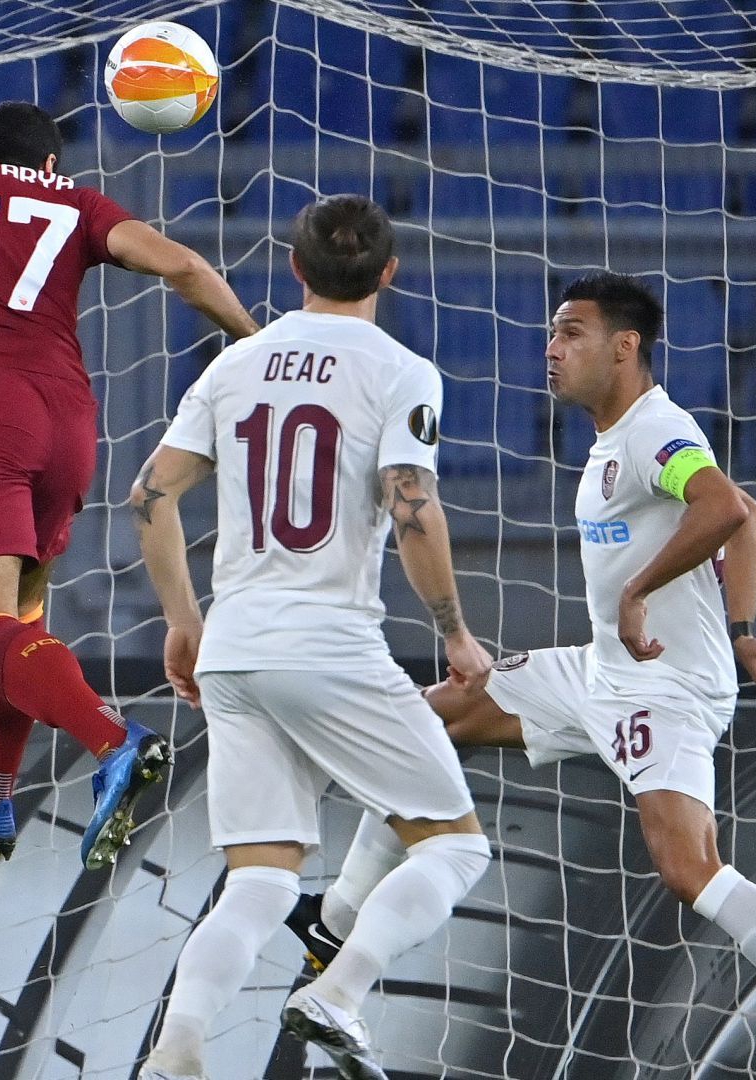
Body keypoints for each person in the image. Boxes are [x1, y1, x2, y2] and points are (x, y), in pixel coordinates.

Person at [285, 272, 756, 1080]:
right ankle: (335, 923)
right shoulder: (611, 439)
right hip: (597, 672)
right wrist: (746, 632)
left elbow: (723, 506)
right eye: (552, 332)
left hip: (666, 688)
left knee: (689, 869)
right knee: (427, 719)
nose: (551, 349)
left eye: (570, 333)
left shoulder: (657, 430)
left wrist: (642, 593)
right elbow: (748, 515)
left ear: (626, 347)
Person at [128, 195, 495, 1080]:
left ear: (293, 269)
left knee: (260, 878)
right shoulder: (402, 368)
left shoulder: (236, 364)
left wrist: (185, 622)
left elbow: (148, 494)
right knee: (452, 845)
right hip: (328, 641)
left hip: (235, 644)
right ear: (390, 273)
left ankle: (176, 1046)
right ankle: (338, 992)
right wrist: (455, 633)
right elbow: (413, 505)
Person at [0, 101, 260, 869]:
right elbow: (183, 266)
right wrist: (256, 345)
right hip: (69, 423)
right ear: (49, 164)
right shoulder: (76, 201)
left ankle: (115, 742)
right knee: (19, 620)